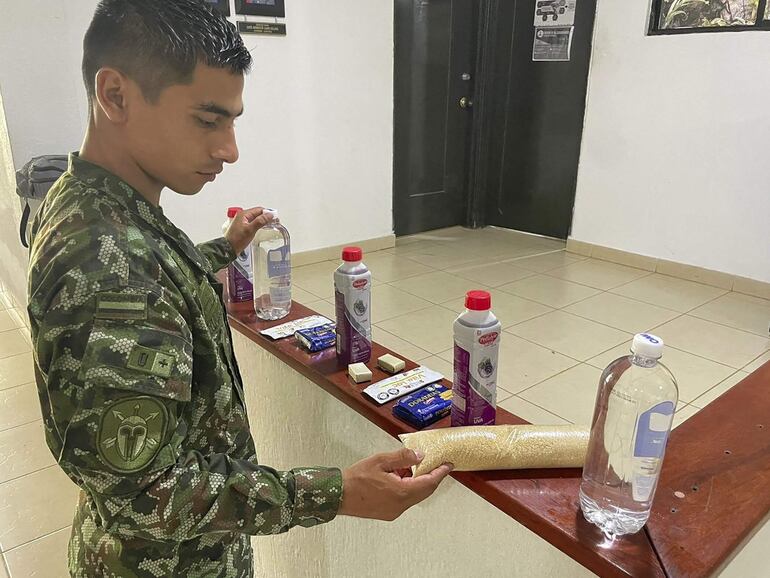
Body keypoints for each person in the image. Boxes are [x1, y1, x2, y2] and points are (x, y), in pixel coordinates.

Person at [26, 1, 453, 576]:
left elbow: (156, 274)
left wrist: (223, 249)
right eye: (207, 120)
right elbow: (147, 496)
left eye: (232, 121)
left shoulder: (94, 202)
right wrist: (337, 492)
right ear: (116, 95)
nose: (229, 149)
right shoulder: (111, 274)